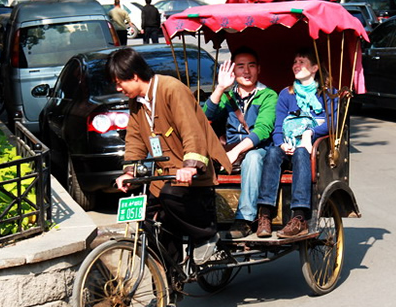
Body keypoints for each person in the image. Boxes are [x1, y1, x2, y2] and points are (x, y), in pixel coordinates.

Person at [109, 48, 231, 279]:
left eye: (119, 82)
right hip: (165, 174)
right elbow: (134, 139)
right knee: (147, 220)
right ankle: (168, 282)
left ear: (134, 76)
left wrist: (191, 166)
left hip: (192, 173)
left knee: (169, 196)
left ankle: (206, 235)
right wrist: (128, 172)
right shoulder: (137, 103)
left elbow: (191, 130)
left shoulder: (171, 89)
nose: (118, 89)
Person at [256, 48, 332, 238]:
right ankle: (265, 213)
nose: (296, 66)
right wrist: (281, 143)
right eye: (295, 62)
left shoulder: (328, 94)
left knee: (300, 152)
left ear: (314, 68)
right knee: (273, 152)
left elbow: (332, 123)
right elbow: (278, 127)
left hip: (313, 150)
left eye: (302, 62)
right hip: (287, 147)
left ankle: (299, 216)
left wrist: (310, 133)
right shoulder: (286, 94)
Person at [203, 46, 278, 239]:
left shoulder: (268, 95)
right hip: (228, 151)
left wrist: (236, 151)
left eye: (251, 66)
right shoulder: (228, 96)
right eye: (240, 66)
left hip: (258, 150)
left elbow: (263, 129)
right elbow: (203, 118)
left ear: (258, 69)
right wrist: (220, 88)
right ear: (232, 71)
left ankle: (245, 218)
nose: (246, 71)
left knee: (252, 157)